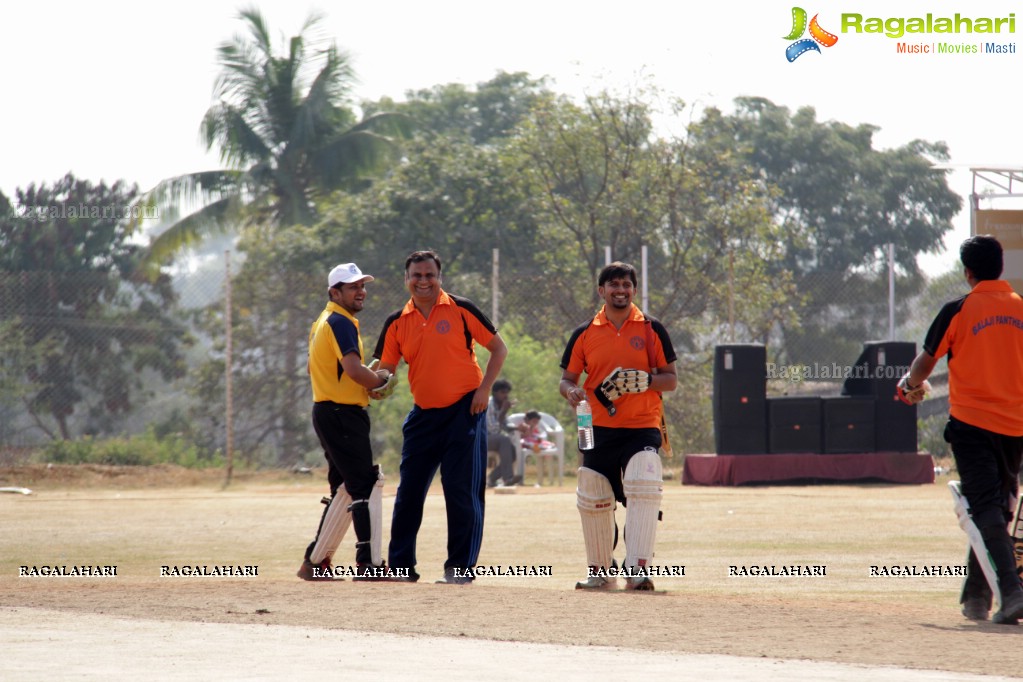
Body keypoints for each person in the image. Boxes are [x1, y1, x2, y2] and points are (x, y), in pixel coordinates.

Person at [900, 235, 1023, 624]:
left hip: (972, 425)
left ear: (967, 272)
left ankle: (1012, 592)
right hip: (1015, 428)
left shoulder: (959, 309)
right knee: (995, 509)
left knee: (984, 506)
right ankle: (976, 596)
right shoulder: (1021, 308)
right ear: (1000, 267)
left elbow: (925, 363)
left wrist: (908, 387)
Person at [373, 250, 508, 584]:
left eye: (429, 275)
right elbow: (385, 369)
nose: (423, 281)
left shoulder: (461, 308)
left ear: (439, 277)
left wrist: (484, 390)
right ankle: (402, 568)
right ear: (406, 280)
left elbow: (498, 348)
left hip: (466, 410)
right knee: (409, 493)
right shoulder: (396, 322)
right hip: (423, 417)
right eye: (416, 276)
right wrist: (372, 382)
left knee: (461, 490)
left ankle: (459, 569)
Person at [559, 261, 677, 591]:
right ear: (602, 291)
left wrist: (647, 381)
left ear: (634, 290)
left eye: (626, 285)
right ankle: (599, 570)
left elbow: (671, 380)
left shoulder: (652, 329)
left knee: (643, 481)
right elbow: (566, 379)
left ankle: (638, 568)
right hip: (593, 425)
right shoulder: (585, 332)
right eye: (613, 285)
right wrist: (572, 391)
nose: (620, 290)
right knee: (593, 492)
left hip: (642, 424)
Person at [298, 263, 396, 582]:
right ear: (334, 292)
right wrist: (377, 382)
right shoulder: (340, 322)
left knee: (344, 488)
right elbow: (354, 371)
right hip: (343, 414)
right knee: (364, 484)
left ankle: (314, 562)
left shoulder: (321, 322)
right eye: (352, 286)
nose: (360, 291)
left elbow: (316, 371)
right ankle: (368, 564)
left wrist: (364, 380)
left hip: (327, 411)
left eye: (362, 285)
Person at [486, 379, 522, 488]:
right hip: (481, 439)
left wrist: (518, 428)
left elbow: (505, 425)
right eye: (503, 392)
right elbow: (493, 429)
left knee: (512, 453)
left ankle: (492, 478)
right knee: (504, 439)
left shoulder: (500, 405)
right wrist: (504, 411)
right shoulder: (489, 404)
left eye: (507, 393)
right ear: (495, 393)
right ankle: (508, 479)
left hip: (493, 439)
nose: (505, 396)